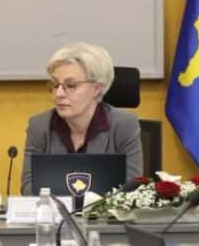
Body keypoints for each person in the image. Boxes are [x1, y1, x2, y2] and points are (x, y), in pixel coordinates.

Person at [20, 42, 143, 195]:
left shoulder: (124, 125)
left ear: (96, 88)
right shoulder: (39, 126)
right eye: (55, 84)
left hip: (108, 211)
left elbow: (132, 187)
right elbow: (29, 187)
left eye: (71, 85)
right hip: (55, 210)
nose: (59, 94)